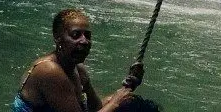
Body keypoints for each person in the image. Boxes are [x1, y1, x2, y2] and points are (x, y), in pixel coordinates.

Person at [13, 8, 144, 112]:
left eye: (87, 36)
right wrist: (116, 102)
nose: (84, 41)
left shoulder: (77, 68)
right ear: (58, 38)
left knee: (128, 102)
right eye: (76, 35)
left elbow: (95, 108)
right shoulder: (49, 71)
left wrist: (128, 87)